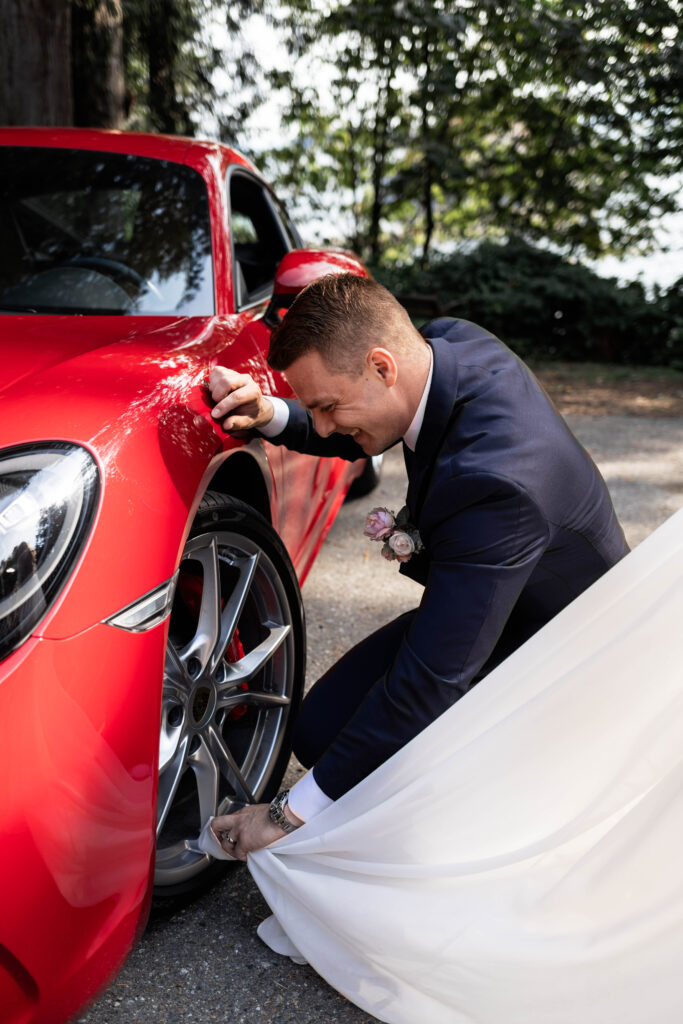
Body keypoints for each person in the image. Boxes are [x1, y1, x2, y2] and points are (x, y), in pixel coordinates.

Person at [207, 272, 628, 861]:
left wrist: (285, 817)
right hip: (497, 598)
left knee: (361, 761)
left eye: (327, 405)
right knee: (318, 730)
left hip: (558, 647)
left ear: (382, 366)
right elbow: (371, 428)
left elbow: (429, 682)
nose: (324, 424)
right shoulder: (443, 346)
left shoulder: (498, 485)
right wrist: (273, 414)